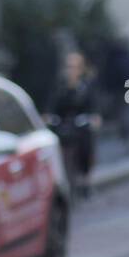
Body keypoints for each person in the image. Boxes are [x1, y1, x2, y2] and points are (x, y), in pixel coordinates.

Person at [46, 50, 101, 198]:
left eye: (75, 67)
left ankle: (86, 180)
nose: (71, 70)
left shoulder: (86, 87)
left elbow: (94, 108)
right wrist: (49, 118)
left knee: (86, 142)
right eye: (69, 66)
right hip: (63, 126)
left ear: (81, 69)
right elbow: (52, 107)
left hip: (81, 126)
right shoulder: (60, 88)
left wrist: (94, 119)